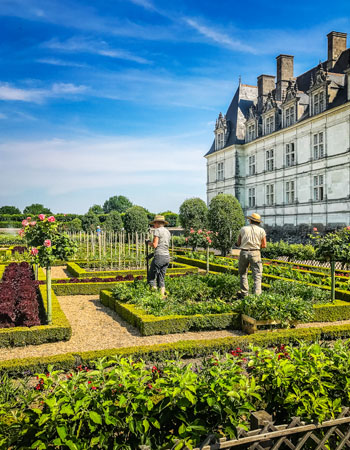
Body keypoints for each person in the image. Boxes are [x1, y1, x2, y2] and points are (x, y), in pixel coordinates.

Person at [236, 213, 266, 297]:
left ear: (250, 220)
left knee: (243, 273)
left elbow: (238, 243)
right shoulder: (261, 230)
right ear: (258, 222)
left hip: (244, 252)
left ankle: (244, 293)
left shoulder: (243, 229)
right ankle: (257, 295)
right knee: (257, 275)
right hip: (255, 252)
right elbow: (264, 245)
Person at [147, 215, 171, 297]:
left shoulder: (157, 231)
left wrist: (148, 242)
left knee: (151, 277)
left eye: (154, 223)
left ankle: (154, 296)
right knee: (161, 278)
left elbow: (155, 245)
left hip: (159, 256)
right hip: (167, 257)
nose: (153, 225)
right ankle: (162, 296)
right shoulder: (168, 232)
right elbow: (164, 245)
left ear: (157, 223)